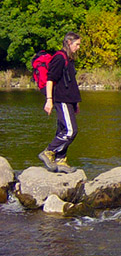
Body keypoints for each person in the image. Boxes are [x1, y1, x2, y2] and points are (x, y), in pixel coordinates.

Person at [38, 32, 82, 174]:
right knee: (70, 131)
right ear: (69, 43)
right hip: (61, 99)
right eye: (77, 44)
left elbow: (71, 82)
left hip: (69, 100)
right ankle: (49, 151)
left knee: (62, 129)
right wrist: (49, 100)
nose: (78, 47)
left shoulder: (69, 59)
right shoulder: (59, 58)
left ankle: (60, 160)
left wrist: (76, 103)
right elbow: (50, 80)